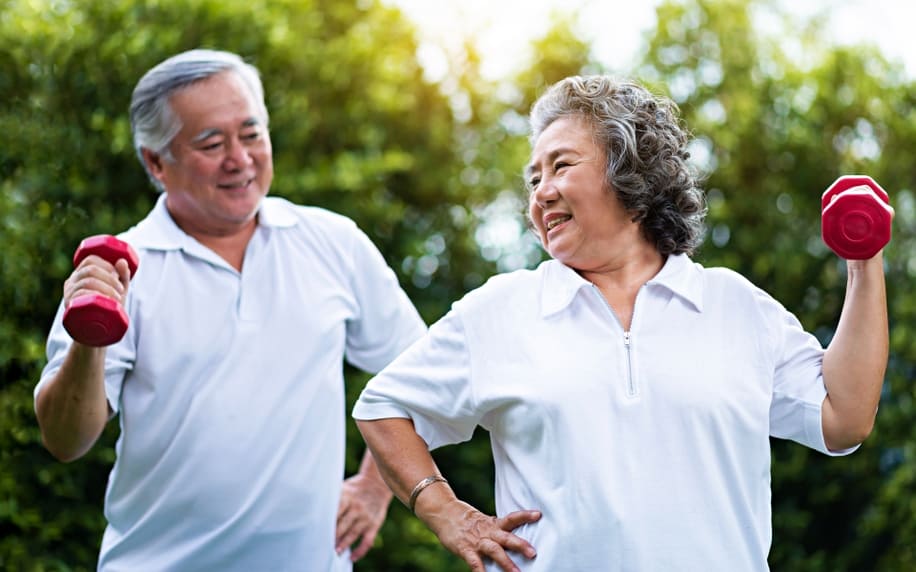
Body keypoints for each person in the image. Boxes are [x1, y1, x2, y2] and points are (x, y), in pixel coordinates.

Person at [352, 75, 890, 572]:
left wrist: (863, 261)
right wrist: (445, 510)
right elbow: (383, 407)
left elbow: (843, 416)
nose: (540, 192)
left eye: (561, 166)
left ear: (630, 175)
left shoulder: (733, 304)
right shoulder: (501, 310)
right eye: (534, 177)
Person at [34, 49, 426, 571]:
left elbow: (420, 372)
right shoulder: (119, 270)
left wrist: (376, 487)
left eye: (251, 133)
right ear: (156, 162)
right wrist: (89, 337)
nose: (239, 158)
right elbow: (65, 439)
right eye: (211, 143)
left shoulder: (333, 242)